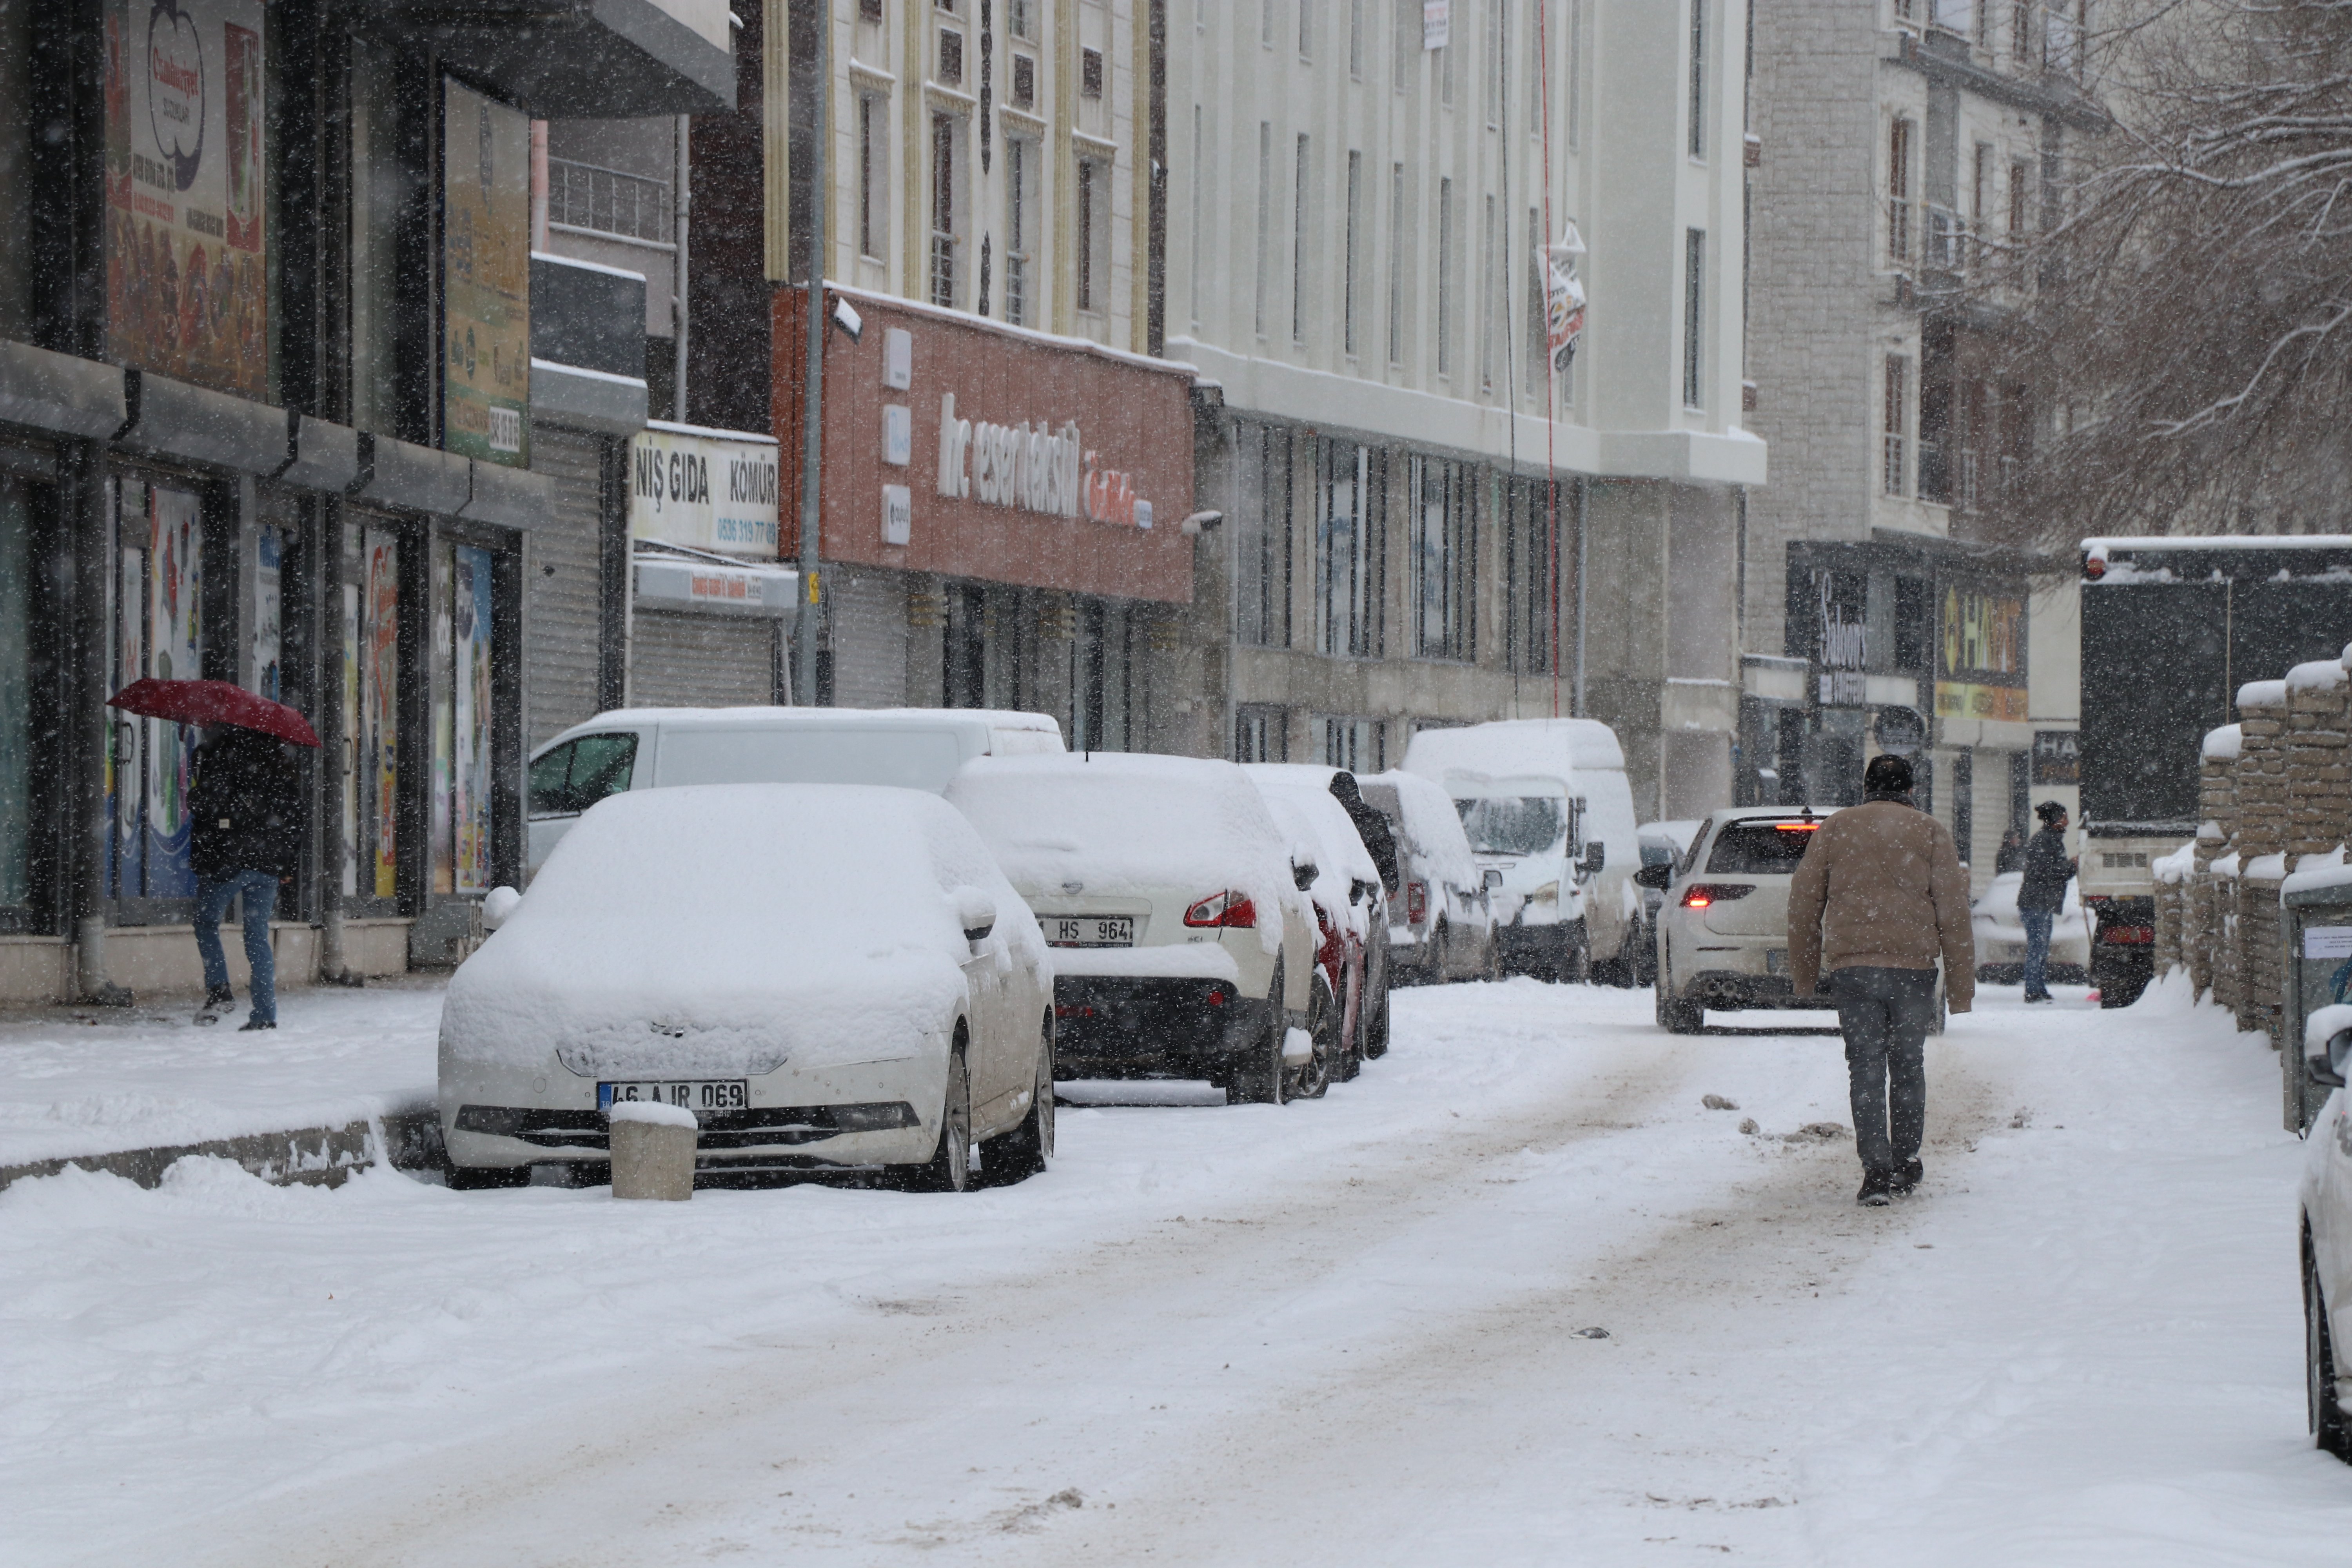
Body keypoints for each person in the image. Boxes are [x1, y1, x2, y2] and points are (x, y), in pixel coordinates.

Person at [1786, 754, 1976, 1206]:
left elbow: (1804, 903)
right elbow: (1953, 911)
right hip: (1913, 968)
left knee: (1866, 1068)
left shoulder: (1836, 828)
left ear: (1867, 786)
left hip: (1853, 968)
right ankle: (1906, 1161)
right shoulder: (1930, 832)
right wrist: (1961, 988)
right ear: (1910, 789)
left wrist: (1805, 973)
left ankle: (1876, 1169)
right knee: (1908, 1064)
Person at [189, 728, 302, 1030]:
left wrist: (197, 787)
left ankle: (219, 990)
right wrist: (287, 865)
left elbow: (205, 807)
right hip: (267, 866)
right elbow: (294, 820)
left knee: (206, 922)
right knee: (256, 935)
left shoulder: (222, 759)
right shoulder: (281, 768)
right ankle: (265, 1014)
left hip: (228, 860)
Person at [2017, 800, 2076, 1004]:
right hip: (2036, 903)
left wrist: (2070, 867)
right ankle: (2033, 990)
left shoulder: (2051, 840)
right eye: (2064, 817)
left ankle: (2039, 988)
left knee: (2041, 947)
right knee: (2037, 947)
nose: (2067, 822)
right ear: (2054, 820)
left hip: (2043, 902)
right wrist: (2071, 866)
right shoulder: (2044, 841)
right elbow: (2047, 872)